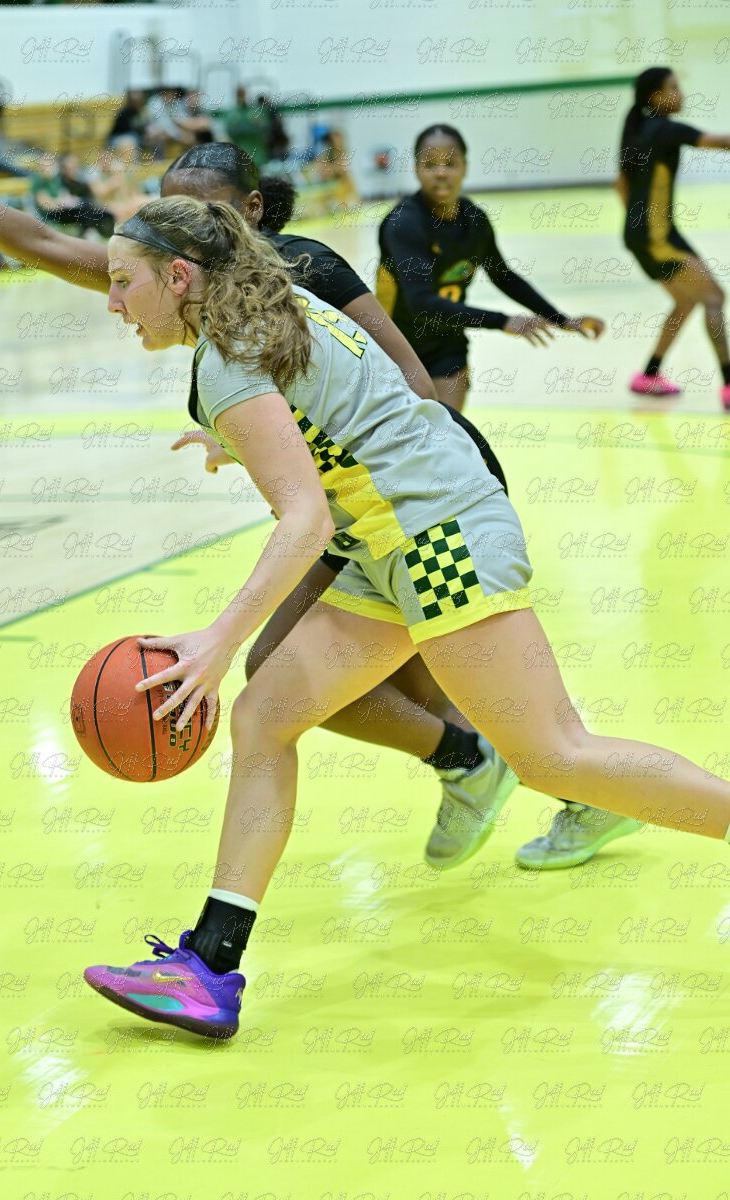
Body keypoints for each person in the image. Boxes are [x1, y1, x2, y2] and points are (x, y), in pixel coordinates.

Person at [81, 195, 730, 1041]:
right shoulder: (271, 304)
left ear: (178, 277)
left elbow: (304, 519)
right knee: (265, 716)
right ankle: (209, 965)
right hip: (398, 537)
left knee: (554, 755)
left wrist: (217, 641)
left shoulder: (226, 362)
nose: (112, 301)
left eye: (121, 281)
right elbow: (346, 413)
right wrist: (241, 440)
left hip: (435, 539)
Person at [0, 142, 632, 873]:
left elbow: (408, 376)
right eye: (172, 207)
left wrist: (408, 483)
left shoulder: (303, 268)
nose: (185, 223)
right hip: (347, 503)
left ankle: (546, 777)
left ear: (252, 209)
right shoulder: (163, 270)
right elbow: (40, 243)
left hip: (417, 490)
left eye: (204, 207)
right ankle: (490, 764)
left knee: (426, 669)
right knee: (298, 673)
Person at [377, 124, 604, 411]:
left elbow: (503, 275)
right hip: (396, 347)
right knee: (413, 433)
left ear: (465, 166)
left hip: (447, 345)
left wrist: (561, 319)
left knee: (448, 431)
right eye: (430, 164)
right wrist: (501, 321)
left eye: (450, 163)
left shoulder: (475, 221)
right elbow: (421, 303)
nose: (441, 172)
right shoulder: (404, 224)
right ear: (416, 169)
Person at [617, 67, 730, 409]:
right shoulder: (664, 129)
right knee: (714, 297)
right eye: (673, 88)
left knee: (686, 301)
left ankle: (649, 375)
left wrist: (637, 225)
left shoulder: (640, 129)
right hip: (658, 236)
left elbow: (620, 185)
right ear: (655, 96)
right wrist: (649, 229)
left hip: (644, 234)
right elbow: (721, 142)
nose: (680, 94)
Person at [30, 152, 114, 239]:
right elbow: (46, 206)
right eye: (46, 164)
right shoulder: (38, 181)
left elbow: (64, 194)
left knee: (88, 204)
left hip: (64, 209)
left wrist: (69, 200)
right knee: (84, 210)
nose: (49, 167)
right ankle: (89, 233)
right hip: (52, 214)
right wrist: (61, 202)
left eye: (51, 164)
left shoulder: (55, 180)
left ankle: (96, 231)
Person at [223, 87, 271, 166]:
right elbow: (230, 131)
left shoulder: (255, 111)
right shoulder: (232, 113)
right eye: (240, 94)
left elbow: (265, 128)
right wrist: (249, 126)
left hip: (257, 156)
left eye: (244, 94)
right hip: (240, 156)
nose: (243, 97)